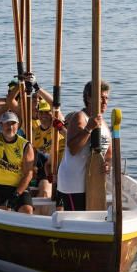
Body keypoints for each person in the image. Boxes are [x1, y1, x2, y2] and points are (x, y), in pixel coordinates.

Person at [55, 81, 112, 211]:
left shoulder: (104, 124)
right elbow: (73, 148)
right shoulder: (80, 118)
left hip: (93, 182)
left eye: (106, 98)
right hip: (73, 183)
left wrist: (107, 165)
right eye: (101, 98)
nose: (105, 102)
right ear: (88, 98)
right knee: (77, 220)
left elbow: (109, 154)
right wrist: (88, 129)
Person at [30, 97, 66, 198]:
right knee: (45, 191)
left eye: (47, 112)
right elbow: (34, 151)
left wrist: (38, 89)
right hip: (47, 166)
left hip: (61, 164)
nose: (43, 115)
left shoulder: (58, 126)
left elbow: (55, 104)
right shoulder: (35, 132)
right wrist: (33, 167)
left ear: (52, 114)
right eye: (41, 112)